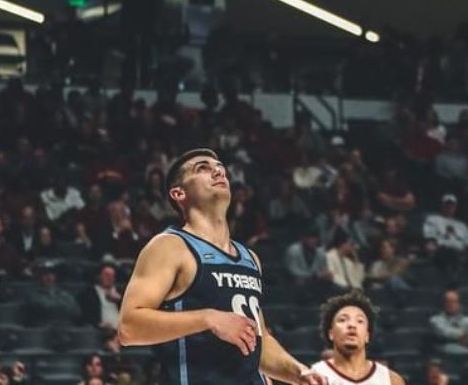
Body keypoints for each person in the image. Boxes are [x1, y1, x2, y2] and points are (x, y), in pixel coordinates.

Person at [117, 148, 324, 384]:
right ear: (178, 193)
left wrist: (298, 372)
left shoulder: (250, 258)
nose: (217, 171)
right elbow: (129, 327)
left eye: (220, 167)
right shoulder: (170, 246)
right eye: (203, 168)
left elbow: (259, 341)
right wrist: (207, 319)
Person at [306, 290, 404, 385]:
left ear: (367, 335)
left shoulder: (391, 380)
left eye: (360, 321)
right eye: (343, 320)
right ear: (331, 334)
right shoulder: (314, 377)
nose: (352, 325)